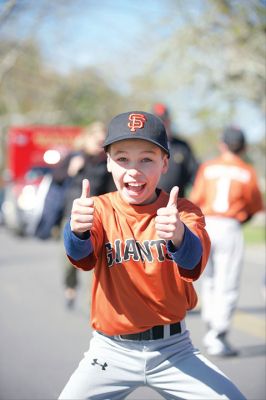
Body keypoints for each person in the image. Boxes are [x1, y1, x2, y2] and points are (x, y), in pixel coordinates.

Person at [59, 111, 246, 399]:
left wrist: (179, 236)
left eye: (146, 159)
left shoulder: (183, 212)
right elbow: (80, 257)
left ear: (165, 164)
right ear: (108, 162)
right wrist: (77, 231)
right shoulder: (98, 209)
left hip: (173, 350)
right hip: (111, 350)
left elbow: (193, 264)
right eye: (122, 158)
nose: (134, 170)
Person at [190, 126, 264, 357]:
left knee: (209, 278)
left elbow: (196, 198)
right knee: (227, 280)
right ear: (242, 147)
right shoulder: (247, 170)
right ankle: (218, 334)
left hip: (207, 223)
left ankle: (212, 326)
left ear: (222, 144)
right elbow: (254, 206)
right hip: (230, 225)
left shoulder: (208, 167)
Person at [52, 121, 115, 307]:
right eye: (96, 140)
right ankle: (70, 287)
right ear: (87, 139)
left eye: (102, 142)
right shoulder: (74, 157)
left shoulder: (107, 164)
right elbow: (56, 178)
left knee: (97, 260)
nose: (99, 144)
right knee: (67, 258)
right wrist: (71, 170)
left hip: (97, 216)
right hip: (72, 214)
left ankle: (94, 301)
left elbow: (113, 191)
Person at [152, 103, 198, 196]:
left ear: (169, 121)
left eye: (164, 120)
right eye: (157, 121)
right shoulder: (145, 145)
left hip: (177, 204)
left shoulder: (182, 146)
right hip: (147, 205)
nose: (161, 124)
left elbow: (195, 177)